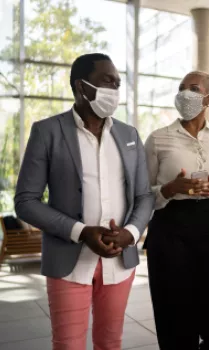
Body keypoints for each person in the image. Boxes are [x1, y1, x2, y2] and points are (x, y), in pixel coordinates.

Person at [15, 53, 155, 350]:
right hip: (69, 259)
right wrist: (81, 231)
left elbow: (144, 196)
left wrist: (130, 233)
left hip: (120, 260)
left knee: (110, 343)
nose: (115, 90)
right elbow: (26, 201)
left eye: (118, 84)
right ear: (81, 86)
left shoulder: (129, 135)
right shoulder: (47, 131)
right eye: (108, 81)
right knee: (68, 345)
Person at [144, 71, 209, 350]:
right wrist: (170, 188)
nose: (184, 93)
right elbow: (141, 195)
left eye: (193, 88)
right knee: (175, 315)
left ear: (208, 98)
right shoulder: (157, 139)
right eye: (180, 87)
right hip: (169, 232)